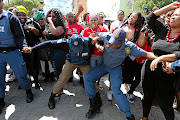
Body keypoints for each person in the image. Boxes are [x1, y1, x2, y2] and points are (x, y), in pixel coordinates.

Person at [84, 28, 157, 119]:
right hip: (104, 65)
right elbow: (94, 36)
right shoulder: (107, 36)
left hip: (115, 68)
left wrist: (160, 59)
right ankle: (94, 104)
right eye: (113, 42)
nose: (113, 45)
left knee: (116, 91)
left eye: (117, 43)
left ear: (122, 41)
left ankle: (128, 114)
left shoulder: (129, 47)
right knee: (87, 78)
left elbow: (145, 54)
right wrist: (96, 43)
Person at [23, 34, 103, 110]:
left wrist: (97, 42)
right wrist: (33, 48)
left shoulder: (88, 41)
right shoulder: (64, 43)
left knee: (91, 79)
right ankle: (52, 97)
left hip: (84, 64)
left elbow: (101, 39)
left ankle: (96, 96)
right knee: (62, 79)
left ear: (82, 42)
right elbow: (48, 43)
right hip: (71, 63)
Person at [141, 2, 180, 120]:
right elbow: (149, 18)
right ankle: (144, 117)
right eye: (172, 14)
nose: (173, 16)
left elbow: (178, 54)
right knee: (147, 96)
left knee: (164, 102)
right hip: (149, 68)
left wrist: (161, 58)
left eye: (177, 15)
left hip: (167, 71)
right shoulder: (162, 29)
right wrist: (170, 6)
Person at [0, 0, 33, 114]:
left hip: (13, 52)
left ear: (2, 3)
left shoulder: (11, 18)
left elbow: (20, 36)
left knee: (21, 74)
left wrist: (23, 46)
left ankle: (28, 90)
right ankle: (1, 99)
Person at [121, 11, 147, 103]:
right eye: (130, 16)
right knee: (119, 75)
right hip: (121, 57)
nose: (131, 18)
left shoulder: (139, 30)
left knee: (137, 77)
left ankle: (130, 91)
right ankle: (115, 91)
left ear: (137, 20)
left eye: (134, 17)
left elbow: (141, 44)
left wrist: (145, 34)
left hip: (134, 58)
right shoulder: (121, 28)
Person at [16, 6, 42, 89]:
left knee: (34, 66)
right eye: (19, 15)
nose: (21, 17)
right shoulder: (15, 23)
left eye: (23, 15)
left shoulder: (32, 22)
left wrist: (31, 28)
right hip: (20, 49)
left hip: (32, 49)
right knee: (22, 67)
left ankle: (36, 82)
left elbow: (39, 33)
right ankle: (24, 83)